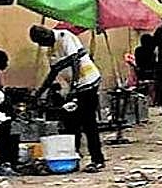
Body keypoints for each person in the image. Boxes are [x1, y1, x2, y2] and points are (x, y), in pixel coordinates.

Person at [29, 25, 105, 172]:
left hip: (88, 82)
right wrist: (39, 93)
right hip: (75, 88)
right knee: (71, 122)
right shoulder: (50, 50)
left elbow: (75, 60)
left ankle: (97, 159)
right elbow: (53, 72)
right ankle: (73, 157)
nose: (42, 46)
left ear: (46, 34)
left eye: (41, 42)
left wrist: (75, 86)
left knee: (88, 122)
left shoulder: (64, 37)